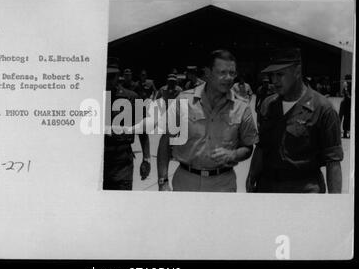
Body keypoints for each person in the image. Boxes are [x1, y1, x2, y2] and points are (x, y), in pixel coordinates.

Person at [156, 50, 258, 192]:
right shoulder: (183, 101)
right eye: (222, 72)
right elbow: (165, 141)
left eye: (232, 73)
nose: (228, 78)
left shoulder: (242, 107)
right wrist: (163, 181)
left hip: (223, 184)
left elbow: (248, 147)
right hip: (186, 181)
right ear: (208, 73)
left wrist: (233, 154)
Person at [246, 48, 343, 193]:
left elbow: (333, 162)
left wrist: (334, 204)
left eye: (280, 74)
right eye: (272, 75)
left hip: (304, 190)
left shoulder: (323, 109)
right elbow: (261, 147)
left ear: (297, 71)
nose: (274, 81)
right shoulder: (268, 104)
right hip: (267, 187)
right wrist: (251, 175)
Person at [103, 59, 148, 190]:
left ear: (118, 76)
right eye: (105, 76)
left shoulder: (132, 97)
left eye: (112, 76)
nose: (108, 80)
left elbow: (142, 130)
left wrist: (146, 159)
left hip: (121, 163)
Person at [133, 69, 157, 179]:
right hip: (138, 107)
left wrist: (153, 98)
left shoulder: (150, 83)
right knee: (139, 131)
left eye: (144, 75)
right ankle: (145, 156)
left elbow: (155, 91)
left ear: (146, 75)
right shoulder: (136, 84)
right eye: (141, 75)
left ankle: (146, 156)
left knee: (144, 132)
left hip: (146, 107)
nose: (142, 76)